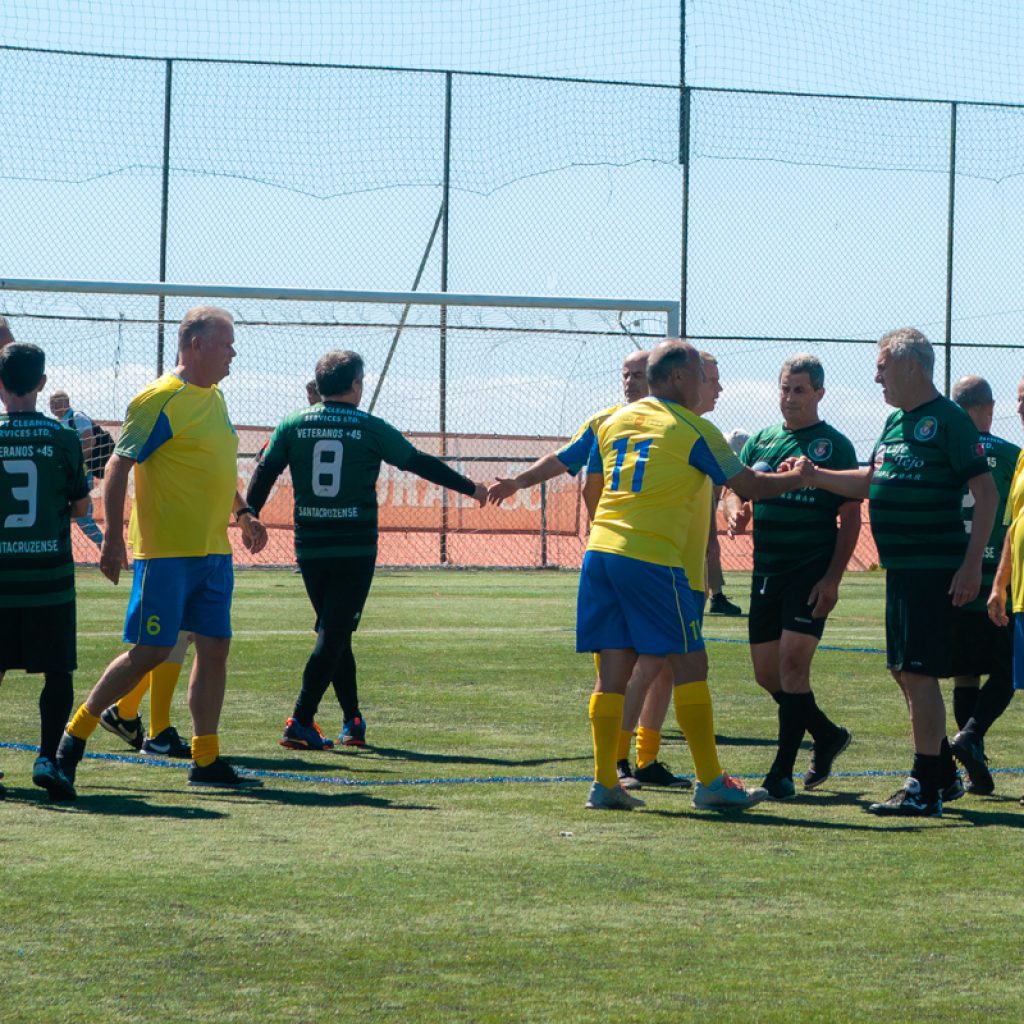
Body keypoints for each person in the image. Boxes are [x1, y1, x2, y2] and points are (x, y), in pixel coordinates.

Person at [578, 340, 805, 810]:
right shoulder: (695, 429)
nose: (709, 384)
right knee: (690, 664)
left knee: (615, 668)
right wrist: (800, 476)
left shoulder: (614, 420)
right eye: (703, 376)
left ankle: (605, 782)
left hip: (601, 552)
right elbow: (747, 485)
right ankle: (710, 783)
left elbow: (588, 480)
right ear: (680, 378)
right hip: (653, 559)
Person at [55, 306, 269, 790]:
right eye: (226, 342)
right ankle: (75, 737)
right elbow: (117, 467)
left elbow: (213, 466)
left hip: (214, 552)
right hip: (167, 554)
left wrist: (243, 513)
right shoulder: (159, 399)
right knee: (150, 651)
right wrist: (111, 538)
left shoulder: (214, 399)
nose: (233, 352)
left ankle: (206, 759)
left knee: (215, 649)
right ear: (195, 345)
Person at [246, 350, 487, 750]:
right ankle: (300, 720)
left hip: (309, 545)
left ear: (319, 385)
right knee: (333, 632)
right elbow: (419, 463)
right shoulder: (370, 427)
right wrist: (472, 488)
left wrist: (250, 515)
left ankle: (352, 721)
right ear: (356, 385)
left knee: (335, 632)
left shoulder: (292, 424)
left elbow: (265, 470)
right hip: (354, 547)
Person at [799, 328, 995, 816]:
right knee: (902, 668)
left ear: (910, 366)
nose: (876, 375)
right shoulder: (893, 423)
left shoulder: (949, 420)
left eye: (883, 364)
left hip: (934, 569)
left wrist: (971, 565)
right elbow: (872, 479)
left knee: (917, 671)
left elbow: (987, 494)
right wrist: (815, 475)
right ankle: (943, 774)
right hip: (902, 571)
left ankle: (925, 785)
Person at [488, 351, 691, 791]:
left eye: (639, 375)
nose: (631, 383)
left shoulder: (683, 427)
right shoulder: (608, 422)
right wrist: (518, 481)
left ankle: (647, 757)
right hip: (626, 559)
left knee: (669, 666)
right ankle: (615, 763)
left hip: (677, 560)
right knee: (620, 664)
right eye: (626, 376)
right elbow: (569, 465)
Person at [735, 355, 859, 799]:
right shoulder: (762, 442)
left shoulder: (834, 445)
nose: (790, 398)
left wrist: (833, 579)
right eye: (785, 389)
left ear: (819, 394)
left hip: (810, 570)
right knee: (767, 676)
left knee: (792, 667)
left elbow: (850, 518)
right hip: (767, 570)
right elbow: (739, 491)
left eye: (800, 390)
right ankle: (825, 734)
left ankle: (781, 774)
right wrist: (738, 513)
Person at [0, 342, 89, 801]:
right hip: (49, 580)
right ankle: (47, 758)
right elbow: (80, 506)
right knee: (57, 672)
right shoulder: (64, 438)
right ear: (41, 383)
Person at [947, 376, 1019, 793]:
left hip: (956, 578)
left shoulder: (948, 454)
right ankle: (972, 735)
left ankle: (974, 764)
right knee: (1008, 670)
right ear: (990, 408)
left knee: (965, 676)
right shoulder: (1012, 455)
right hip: (997, 583)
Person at [986, 377, 1024, 805]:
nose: (1022, 408)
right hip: (1021, 595)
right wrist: (999, 584)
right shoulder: (1021, 458)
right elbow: (1014, 526)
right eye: (1020, 400)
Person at [699, 353, 743, 617]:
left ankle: (714, 595)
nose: (720, 389)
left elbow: (728, 489)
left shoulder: (705, 432)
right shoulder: (700, 434)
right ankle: (711, 595)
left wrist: (733, 508)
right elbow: (742, 481)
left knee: (710, 541)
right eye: (712, 381)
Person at [48, 390, 104, 548]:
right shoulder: (57, 423)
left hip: (80, 475)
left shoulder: (77, 418)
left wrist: (75, 464)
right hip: (63, 475)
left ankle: (106, 546)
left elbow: (90, 442)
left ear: (65, 402)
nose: (51, 406)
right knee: (59, 512)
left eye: (55, 403)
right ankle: (58, 548)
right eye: (50, 403)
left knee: (83, 519)